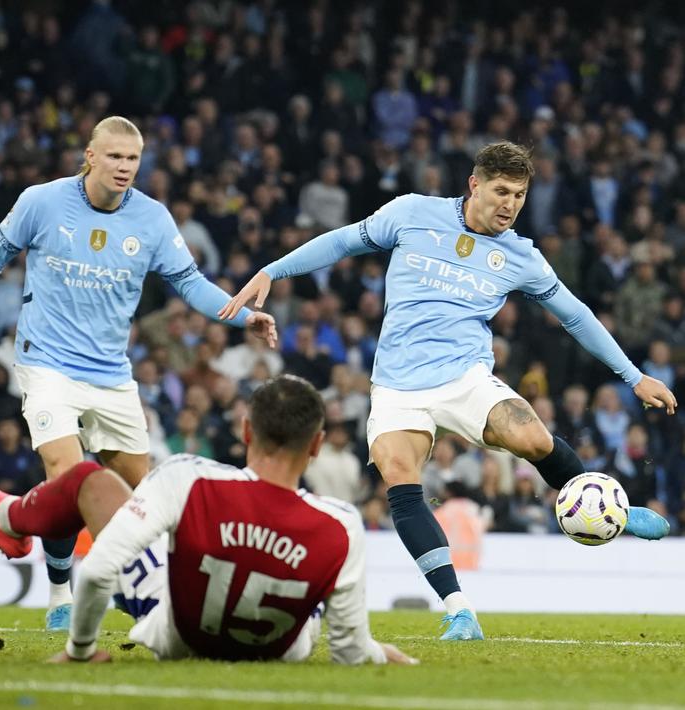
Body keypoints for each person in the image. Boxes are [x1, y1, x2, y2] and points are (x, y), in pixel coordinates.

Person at [220, 141, 677, 641]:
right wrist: (272, 270)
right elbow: (342, 242)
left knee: (533, 441)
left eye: (520, 195)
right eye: (502, 191)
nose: (510, 205)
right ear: (475, 184)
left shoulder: (521, 256)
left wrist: (634, 376)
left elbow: (575, 315)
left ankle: (609, 506)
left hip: (465, 377)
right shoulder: (412, 213)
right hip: (397, 385)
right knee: (398, 475)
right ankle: (459, 609)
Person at [0, 115, 276, 630]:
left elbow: (192, 284)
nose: (124, 167)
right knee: (68, 475)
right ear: (90, 157)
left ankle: (15, 521)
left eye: (132, 159)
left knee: (143, 496)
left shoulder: (152, 220)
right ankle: (62, 591)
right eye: (114, 157)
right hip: (47, 363)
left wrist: (246, 316)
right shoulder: (41, 202)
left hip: (111, 373)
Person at [0, 375, 416, 665]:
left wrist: (81, 650)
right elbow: (350, 650)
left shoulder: (192, 477)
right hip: (283, 646)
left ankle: (6, 515)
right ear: (316, 446)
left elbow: (96, 572)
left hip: (176, 633)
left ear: (246, 431)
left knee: (90, 479)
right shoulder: (341, 522)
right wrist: (379, 654)